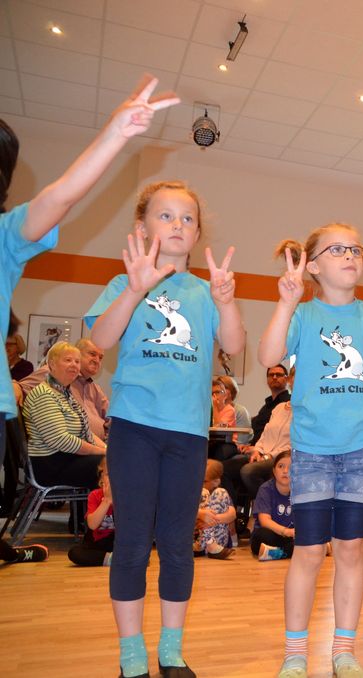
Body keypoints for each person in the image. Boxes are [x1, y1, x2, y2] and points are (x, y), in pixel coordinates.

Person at [0, 74, 176, 557]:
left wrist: (117, 133)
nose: (80, 365)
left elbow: (60, 197)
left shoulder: (6, 235)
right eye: (72, 361)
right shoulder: (48, 393)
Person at [258, 219, 363, 678]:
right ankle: (295, 653)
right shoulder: (304, 315)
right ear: (313, 265)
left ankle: (343, 650)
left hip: (361, 452)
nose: (350, 255)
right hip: (313, 450)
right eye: (337, 249)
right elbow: (268, 356)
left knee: (350, 549)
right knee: (309, 552)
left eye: (355, 249)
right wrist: (286, 301)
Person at [87, 177, 243, 678]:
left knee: (177, 542)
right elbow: (100, 338)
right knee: (132, 541)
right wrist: (135, 289)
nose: (178, 224)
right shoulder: (125, 283)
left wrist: (226, 300)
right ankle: (131, 654)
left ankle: (171, 651)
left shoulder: (203, 291)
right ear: (142, 227)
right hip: (135, 428)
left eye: (187, 218)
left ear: (196, 233)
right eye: (165, 215)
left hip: (187, 435)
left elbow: (235, 347)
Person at [23, 341, 107, 530]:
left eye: (77, 361)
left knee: (113, 462)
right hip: (48, 464)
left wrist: (107, 449)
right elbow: (62, 440)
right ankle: (100, 530)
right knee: (111, 467)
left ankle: (97, 526)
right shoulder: (45, 394)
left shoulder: (64, 394)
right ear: (51, 364)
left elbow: (86, 433)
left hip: (63, 459)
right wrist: (102, 453)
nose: (74, 365)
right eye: (68, 360)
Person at [21, 337, 109, 441]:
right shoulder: (54, 372)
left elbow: (112, 417)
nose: (97, 360)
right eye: (92, 354)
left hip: (97, 443)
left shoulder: (95, 389)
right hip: (68, 445)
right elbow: (20, 386)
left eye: (100, 357)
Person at [238, 367, 295, 500]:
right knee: (226, 467)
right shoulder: (279, 408)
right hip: (263, 453)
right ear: (290, 381)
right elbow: (264, 435)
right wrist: (257, 451)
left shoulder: (305, 411)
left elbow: (294, 443)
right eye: (295, 379)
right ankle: (235, 509)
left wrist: (268, 456)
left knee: (248, 471)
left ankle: (269, 505)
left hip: (283, 456)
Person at [69, 459, 116, 567]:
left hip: (119, 542)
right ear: (102, 477)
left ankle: (120, 558)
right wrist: (107, 500)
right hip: (98, 542)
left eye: (118, 475)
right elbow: (92, 525)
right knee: (75, 553)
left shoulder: (129, 497)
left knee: (138, 549)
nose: (113, 479)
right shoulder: (94, 495)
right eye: (108, 475)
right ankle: (112, 559)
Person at [251, 451, 295, 561]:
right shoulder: (266, 489)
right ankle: (290, 551)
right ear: (274, 471)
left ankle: (277, 553)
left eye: (290, 467)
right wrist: (286, 531)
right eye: (281, 466)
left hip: (290, 537)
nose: (285, 471)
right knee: (261, 535)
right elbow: (264, 521)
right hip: (271, 534)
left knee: (307, 535)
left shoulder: (300, 491)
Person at [194, 459, 235, 559]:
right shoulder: (194, 490)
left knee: (221, 491)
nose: (200, 484)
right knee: (203, 493)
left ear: (216, 481)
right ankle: (208, 544)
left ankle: (210, 543)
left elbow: (232, 515)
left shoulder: (221, 495)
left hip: (217, 540)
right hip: (194, 539)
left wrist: (210, 520)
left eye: (204, 481)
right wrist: (200, 515)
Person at [250, 364, 291, 444]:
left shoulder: (289, 403)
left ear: (286, 379)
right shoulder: (265, 408)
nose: (274, 377)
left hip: (275, 449)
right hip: (256, 447)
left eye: (278, 375)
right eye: (271, 375)